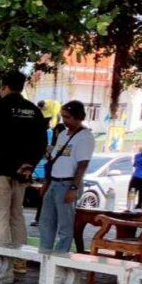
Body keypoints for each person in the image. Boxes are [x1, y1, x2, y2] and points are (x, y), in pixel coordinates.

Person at [0, 71, 47, 273]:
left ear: (4, 86)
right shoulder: (33, 110)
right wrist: (29, 164)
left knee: (0, 215)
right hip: (22, 172)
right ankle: (20, 261)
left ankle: (2, 264)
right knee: (16, 214)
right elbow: (42, 143)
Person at [38, 101, 94, 254]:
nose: (65, 121)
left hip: (68, 183)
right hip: (54, 181)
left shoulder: (85, 137)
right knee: (46, 222)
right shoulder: (62, 134)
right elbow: (54, 160)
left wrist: (74, 188)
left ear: (78, 117)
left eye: (68, 117)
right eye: (63, 117)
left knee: (65, 224)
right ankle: (44, 253)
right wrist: (47, 182)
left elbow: (82, 164)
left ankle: (60, 255)